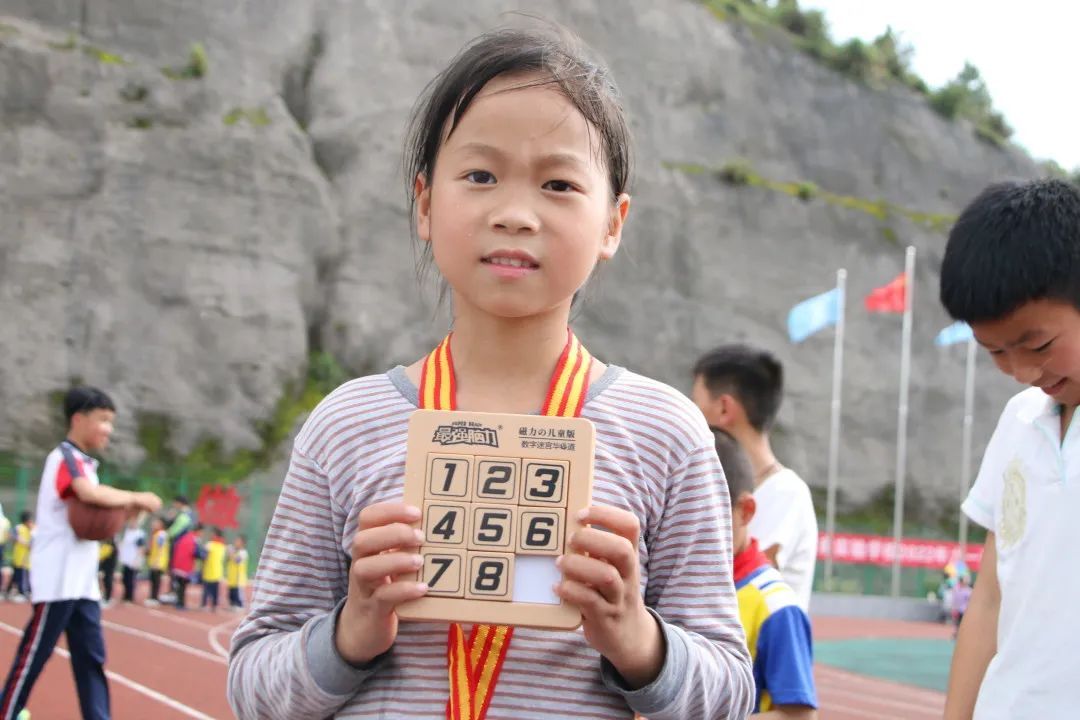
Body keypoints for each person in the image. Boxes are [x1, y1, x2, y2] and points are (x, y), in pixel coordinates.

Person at [227, 24, 754, 720]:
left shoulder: (667, 435)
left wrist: (638, 641)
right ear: (424, 203)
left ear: (612, 223)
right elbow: (251, 687)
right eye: (480, 176)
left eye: (559, 183)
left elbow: (731, 693)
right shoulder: (345, 426)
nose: (514, 214)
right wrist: (349, 634)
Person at [940, 178, 1080, 719]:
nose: (1022, 371)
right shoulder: (1019, 420)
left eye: (1038, 345)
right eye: (996, 351)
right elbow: (991, 597)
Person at [0, 386, 161, 720]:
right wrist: (136, 497)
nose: (108, 429)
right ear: (78, 419)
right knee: (33, 656)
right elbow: (87, 493)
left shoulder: (86, 463)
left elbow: (97, 511)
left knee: (91, 660)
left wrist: (130, 509)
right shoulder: (65, 456)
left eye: (111, 422)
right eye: (103, 420)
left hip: (83, 581)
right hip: (58, 578)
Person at [692, 344, 818, 610]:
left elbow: (733, 580)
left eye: (696, 405)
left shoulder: (785, 492)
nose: (691, 418)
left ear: (724, 408)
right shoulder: (726, 484)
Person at [713, 429, 818, 718]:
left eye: (710, 515)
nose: (694, 527)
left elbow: (799, 716)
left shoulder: (777, 607)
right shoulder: (678, 587)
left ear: (746, 510)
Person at [117, 516, 146, 604]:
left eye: (134, 522)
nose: (132, 524)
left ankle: (129, 597)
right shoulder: (128, 532)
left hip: (133, 559)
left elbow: (141, 547)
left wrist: (137, 559)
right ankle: (125, 595)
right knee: (125, 578)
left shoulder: (139, 534)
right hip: (126, 559)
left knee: (131, 579)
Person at [5, 513, 32, 603]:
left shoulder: (32, 529)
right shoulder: (19, 528)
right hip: (19, 557)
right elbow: (9, 534)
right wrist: (19, 539)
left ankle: (22, 592)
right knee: (19, 575)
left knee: (21, 575)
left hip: (27, 558)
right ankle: (21, 593)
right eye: (29, 520)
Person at [144, 516, 169, 606]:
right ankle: (152, 597)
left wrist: (157, 561)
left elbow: (160, 548)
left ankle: (154, 598)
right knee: (153, 580)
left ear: (161, 524)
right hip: (154, 560)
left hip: (158, 562)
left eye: (156, 522)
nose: (153, 524)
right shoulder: (156, 534)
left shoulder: (161, 534)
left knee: (156, 580)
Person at [200, 527, 226, 613]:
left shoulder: (209, 545)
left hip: (209, 570)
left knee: (207, 590)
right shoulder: (222, 546)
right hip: (217, 571)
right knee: (215, 590)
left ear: (215, 535)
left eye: (213, 533)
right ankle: (214, 605)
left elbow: (204, 556)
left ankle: (204, 605)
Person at [225, 535, 248, 611]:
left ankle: (240, 606)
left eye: (238, 541)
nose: (236, 542)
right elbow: (228, 560)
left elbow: (237, 560)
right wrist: (229, 552)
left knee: (238, 594)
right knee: (231, 594)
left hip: (239, 579)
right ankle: (232, 605)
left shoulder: (243, 552)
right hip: (232, 578)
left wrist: (231, 552)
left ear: (242, 543)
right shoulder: (235, 551)